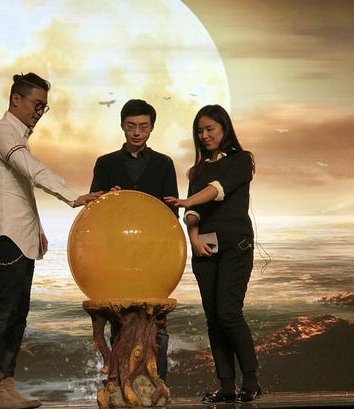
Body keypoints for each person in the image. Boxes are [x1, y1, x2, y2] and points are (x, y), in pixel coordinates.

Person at [0, 72, 101, 409]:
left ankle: (3, 385)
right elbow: (33, 170)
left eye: (43, 107)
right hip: (5, 239)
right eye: (36, 104)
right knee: (4, 312)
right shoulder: (3, 132)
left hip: (18, 238)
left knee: (17, 314)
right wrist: (73, 196)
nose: (39, 112)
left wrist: (37, 230)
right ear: (15, 99)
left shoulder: (14, 135)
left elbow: (17, 192)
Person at [164, 104, 261, 403]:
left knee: (229, 313)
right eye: (199, 131)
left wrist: (186, 201)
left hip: (236, 246)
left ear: (224, 128)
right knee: (213, 319)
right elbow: (193, 212)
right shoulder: (197, 170)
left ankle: (252, 382)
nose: (204, 135)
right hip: (205, 249)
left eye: (210, 129)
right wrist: (193, 238)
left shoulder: (242, 160)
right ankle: (227, 387)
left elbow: (217, 190)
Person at [90, 99, 179, 381]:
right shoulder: (105, 163)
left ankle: (156, 386)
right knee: (120, 321)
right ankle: (120, 385)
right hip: (118, 256)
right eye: (131, 126)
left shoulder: (164, 163)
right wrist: (109, 199)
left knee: (156, 323)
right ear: (122, 126)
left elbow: (172, 213)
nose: (137, 132)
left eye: (143, 126)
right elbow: (94, 210)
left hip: (154, 255)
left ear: (152, 128)